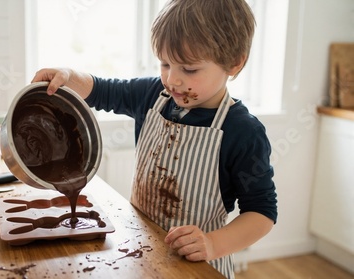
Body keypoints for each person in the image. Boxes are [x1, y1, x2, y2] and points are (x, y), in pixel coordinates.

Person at [31, 0, 277, 278]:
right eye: (165, 63)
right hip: (140, 252)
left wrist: (211, 243)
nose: (172, 79)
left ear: (234, 63)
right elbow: (103, 90)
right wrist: (68, 75)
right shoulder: (151, 96)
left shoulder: (243, 131)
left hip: (199, 267)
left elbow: (262, 213)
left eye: (189, 69)